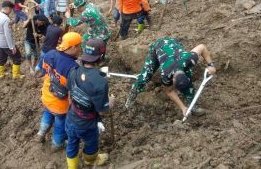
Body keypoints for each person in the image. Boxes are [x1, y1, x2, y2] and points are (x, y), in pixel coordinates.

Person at [126, 37, 217, 116]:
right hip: (158, 47)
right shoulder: (166, 75)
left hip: (173, 43)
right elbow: (169, 91)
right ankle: (133, 92)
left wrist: (210, 65)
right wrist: (182, 108)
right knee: (145, 77)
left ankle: (191, 105)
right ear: (172, 79)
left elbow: (202, 47)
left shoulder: (189, 59)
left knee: (188, 83)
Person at [65, 39, 114, 168]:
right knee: (91, 144)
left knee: (71, 143)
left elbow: (70, 94)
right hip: (87, 123)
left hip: (71, 117)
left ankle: (72, 167)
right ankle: (90, 161)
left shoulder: (73, 71)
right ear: (101, 57)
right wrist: (111, 102)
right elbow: (102, 110)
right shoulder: (100, 82)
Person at [37, 32, 82, 151]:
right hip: (60, 104)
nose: (80, 49)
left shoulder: (50, 54)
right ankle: (56, 144)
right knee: (60, 123)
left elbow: (43, 71)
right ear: (72, 47)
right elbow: (74, 90)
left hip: (47, 94)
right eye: (79, 46)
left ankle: (41, 134)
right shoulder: (72, 68)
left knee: (47, 113)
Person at [0, 0, 23, 79]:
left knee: (1, 58)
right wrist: (12, 47)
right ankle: (16, 75)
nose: (11, 11)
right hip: (6, 42)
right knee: (17, 57)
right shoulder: (6, 19)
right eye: (11, 9)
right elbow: (7, 34)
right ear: (8, 8)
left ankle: (2, 74)